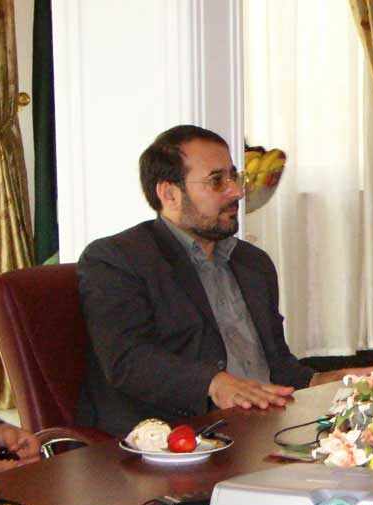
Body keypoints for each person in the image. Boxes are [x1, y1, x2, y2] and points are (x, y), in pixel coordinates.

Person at [76, 125, 348, 437]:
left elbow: (278, 365)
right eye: (217, 181)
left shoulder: (253, 263)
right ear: (169, 194)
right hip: (177, 440)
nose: (237, 192)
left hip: (266, 428)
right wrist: (214, 383)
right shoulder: (118, 259)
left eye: (234, 177)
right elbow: (127, 359)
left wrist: (330, 381)